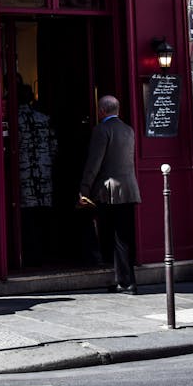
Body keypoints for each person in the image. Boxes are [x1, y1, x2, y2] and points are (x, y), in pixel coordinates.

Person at [78, 94, 141, 293]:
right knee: (123, 237)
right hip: (129, 189)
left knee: (113, 236)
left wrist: (84, 189)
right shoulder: (128, 130)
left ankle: (125, 281)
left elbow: (93, 163)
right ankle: (125, 279)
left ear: (101, 111)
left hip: (109, 191)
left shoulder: (101, 129)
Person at [17, 82, 57, 265]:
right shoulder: (44, 118)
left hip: (24, 173)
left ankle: (30, 256)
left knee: (27, 217)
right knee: (43, 215)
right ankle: (45, 252)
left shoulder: (15, 118)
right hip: (44, 172)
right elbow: (54, 146)